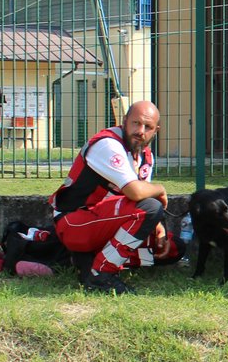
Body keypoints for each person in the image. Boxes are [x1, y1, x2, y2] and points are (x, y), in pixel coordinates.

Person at [50, 100, 178, 294]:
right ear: (125, 121)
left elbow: (139, 200)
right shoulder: (107, 144)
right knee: (151, 207)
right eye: (136, 123)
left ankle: (88, 261)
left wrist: (158, 229)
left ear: (156, 130)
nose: (140, 131)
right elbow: (135, 192)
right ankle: (101, 274)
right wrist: (160, 189)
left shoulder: (145, 156)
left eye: (148, 127)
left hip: (108, 222)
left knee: (174, 248)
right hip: (75, 222)